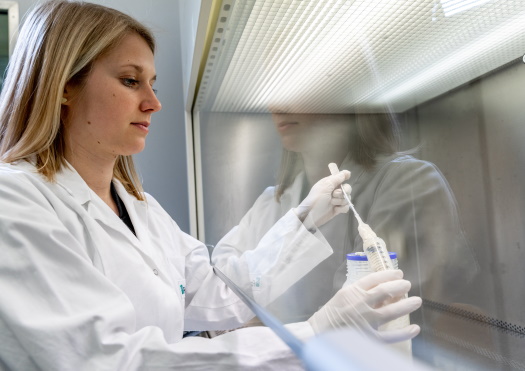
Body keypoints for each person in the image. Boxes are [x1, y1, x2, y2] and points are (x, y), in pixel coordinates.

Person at [0, 1, 422, 370]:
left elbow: (220, 292)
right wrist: (314, 334)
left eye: (153, 83)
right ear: (64, 87)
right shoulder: (14, 201)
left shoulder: (138, 207)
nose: (154, 102)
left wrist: (305, 223)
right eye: (131, 81)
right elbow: (108, 361)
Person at [212, 112, 479, 325]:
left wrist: (257, 321)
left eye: (301, 86)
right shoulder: (272, 201)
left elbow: (369, 313)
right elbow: (218, 288)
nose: (278, 105)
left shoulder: (408, 182)